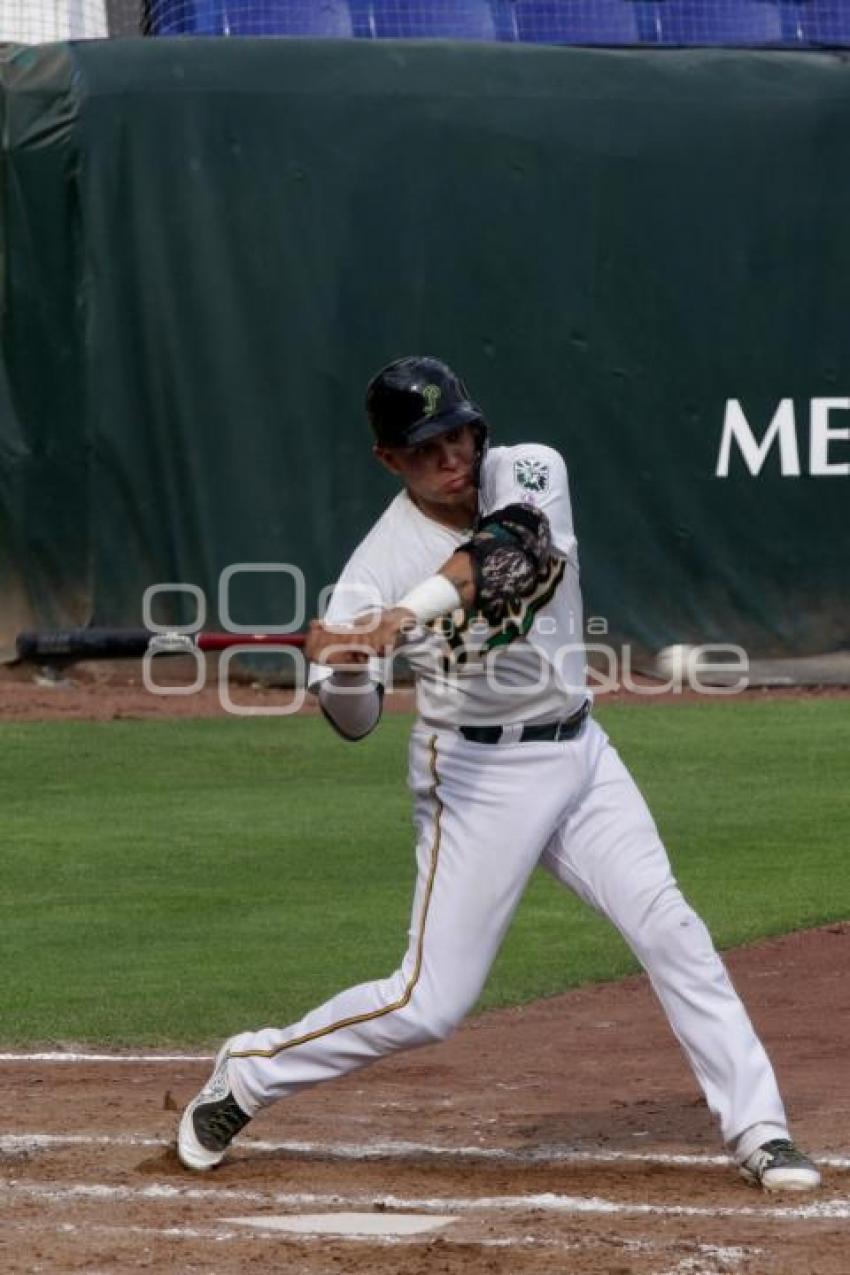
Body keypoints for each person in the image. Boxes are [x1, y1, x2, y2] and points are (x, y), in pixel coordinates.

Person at [177, 355, 820, 1193]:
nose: (454, 455)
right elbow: (357, 722)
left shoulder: (529, 469)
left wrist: (401, 618)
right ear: (389, 460)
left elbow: (512, 553)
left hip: (582, 753)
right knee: (428, 1002)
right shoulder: (370, 570)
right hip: (475, 776)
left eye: (461, 432)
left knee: (672, 929)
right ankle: (250, 1071)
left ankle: (759, 1128)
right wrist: (337, 664)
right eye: (427, 446)